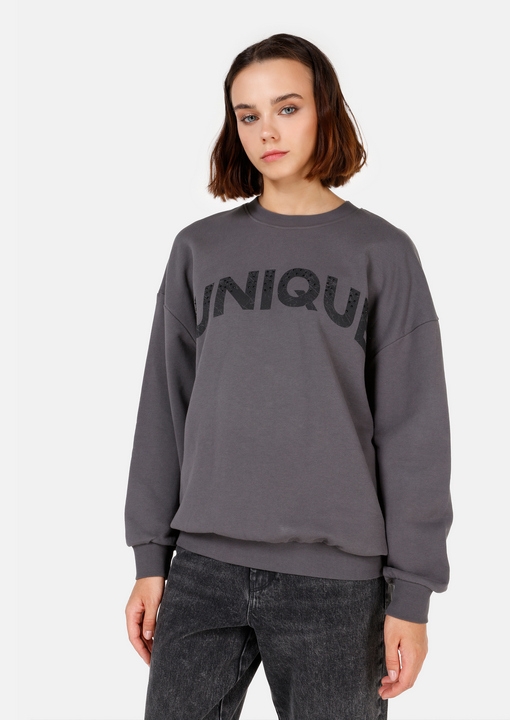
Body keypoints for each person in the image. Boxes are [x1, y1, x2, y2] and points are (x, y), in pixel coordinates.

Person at [124, 32, 453, 720]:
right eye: (248, 115)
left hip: (336, 588)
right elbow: (164, 407)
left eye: (287, 108)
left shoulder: (381, 252)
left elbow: (414, 431)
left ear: (324, 109)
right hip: (202, 574)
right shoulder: (199, 249)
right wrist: (151, 559)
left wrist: (412, 595)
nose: (267, 131)